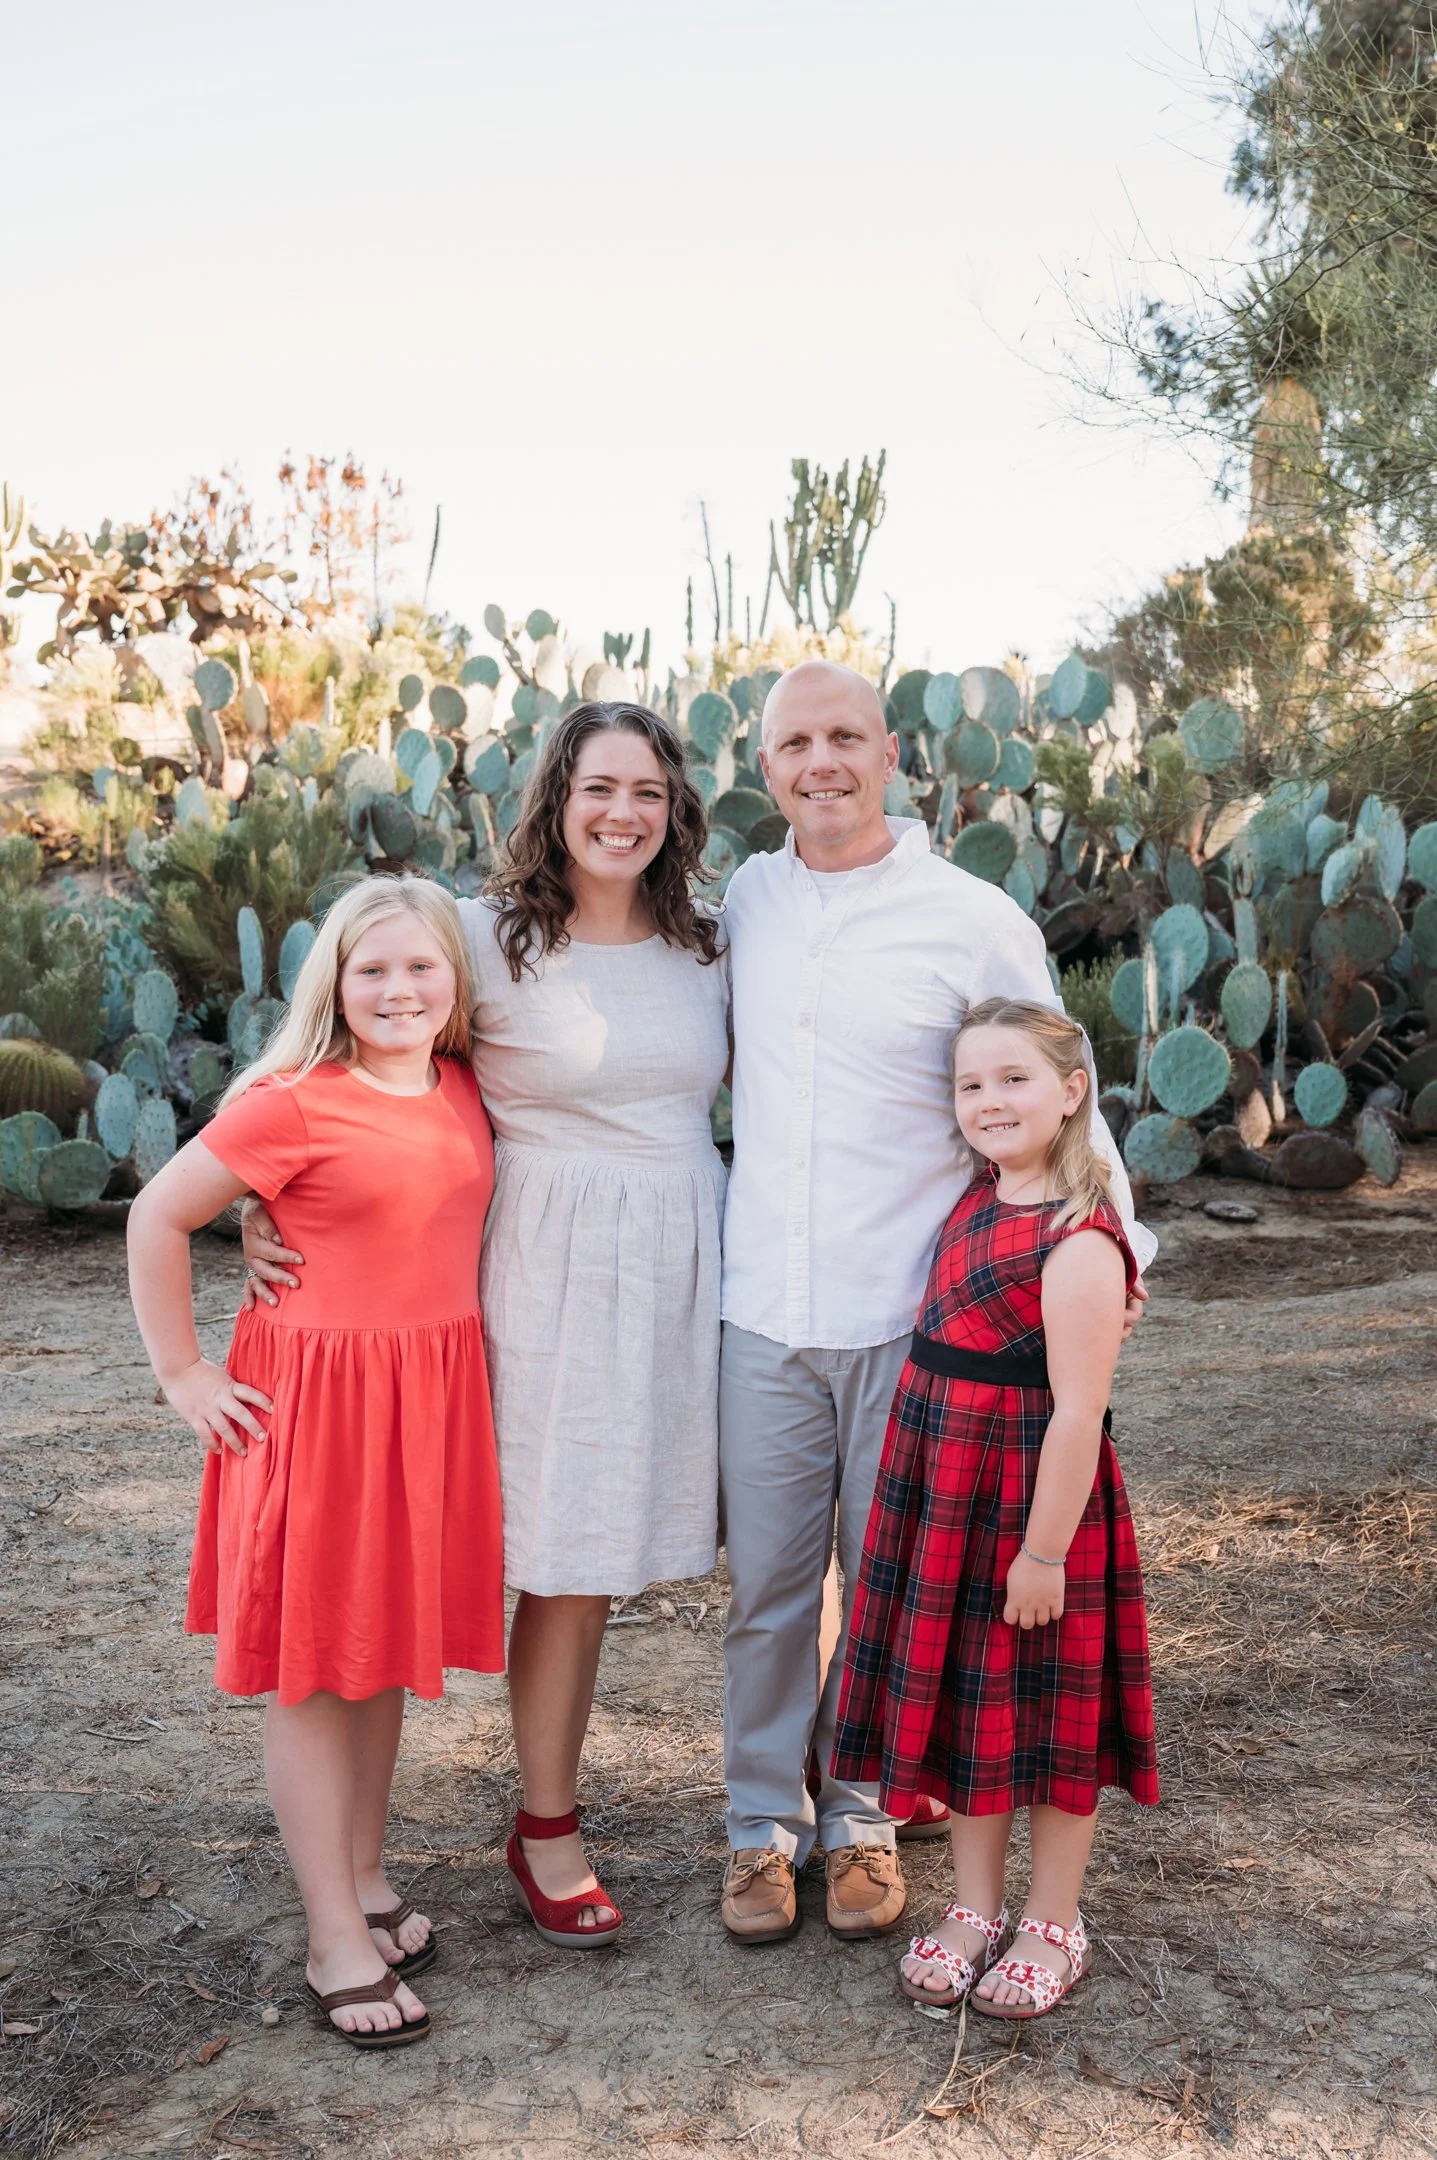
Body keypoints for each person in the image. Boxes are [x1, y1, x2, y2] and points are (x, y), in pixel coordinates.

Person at [242, 702, 729, 1949]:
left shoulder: (714, 941)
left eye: (647, 792)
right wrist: (259, 1197)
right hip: (539, 1267)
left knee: (764, 1538)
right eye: (597, 787)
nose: (621, 813)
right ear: (556, 799)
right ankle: (547, 1825)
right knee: (560, 1555)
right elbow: (341, 1043)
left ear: (676, 810)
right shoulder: (483, 935)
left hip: (689, 1257)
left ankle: (836, 1810)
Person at [717, 659, 1156, 1945]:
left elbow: (1053, 1069)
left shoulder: (969, 917)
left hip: (919, 1318)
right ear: (767, 767)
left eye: (845, 735)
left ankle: (861, 1822)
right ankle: (758, 1829)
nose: (822, 763)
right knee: (769, 1593)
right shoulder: (748, 897)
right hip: (764, 1310)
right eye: (795, 742)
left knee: (896, 1584)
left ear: (893, 752)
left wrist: (1111, 1241)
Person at [127, 876, 504, 2047]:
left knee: (378, 1649)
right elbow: (156, 1214)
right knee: (314, 1666)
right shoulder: (290, 1103)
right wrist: (186, 1374)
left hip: (424, 1404)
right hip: (319, 1413)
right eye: (372, 969)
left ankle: (366, 1871)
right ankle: (331, 1931)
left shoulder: (462, 1084)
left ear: (454, 985)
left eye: (420, 969)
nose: (397, 990)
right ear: (334, 983)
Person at [832, 999, 1159, 2018]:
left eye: (1014, 1079)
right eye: (971, 1085)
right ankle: (974, 1908)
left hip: (1032, 1509)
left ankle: (1054, 1917)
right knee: (972, 1710)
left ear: (1072, 1094)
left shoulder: (1081, 1241)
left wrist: (1046, 1553)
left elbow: (1077, 1414)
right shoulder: (981, 1197)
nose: (990, 1101)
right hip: (948, 1498)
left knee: (1057, 1722)